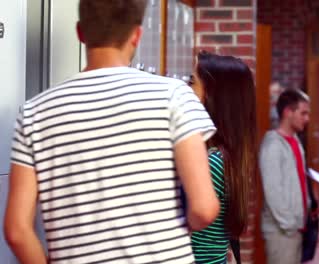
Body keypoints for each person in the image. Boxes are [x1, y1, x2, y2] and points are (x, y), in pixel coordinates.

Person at [4, 1, 220, 263]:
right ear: (137, 35)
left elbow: (16, 230)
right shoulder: (174, 96)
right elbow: (204, 208)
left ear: (80, 32)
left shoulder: (33, 112)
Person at [187, 51, 257, 264]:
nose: (184, 89)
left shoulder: (212, 162)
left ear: (210, 95)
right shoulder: (225, 155)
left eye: (192, 82)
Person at [259, 89, 319, 264]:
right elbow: (273, 191)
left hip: (296, 228)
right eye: (303, 113)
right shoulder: (273, 145)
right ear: (287, 112)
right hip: (282, 231)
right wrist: (290, 224)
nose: (307, 119)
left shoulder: (295, 141)